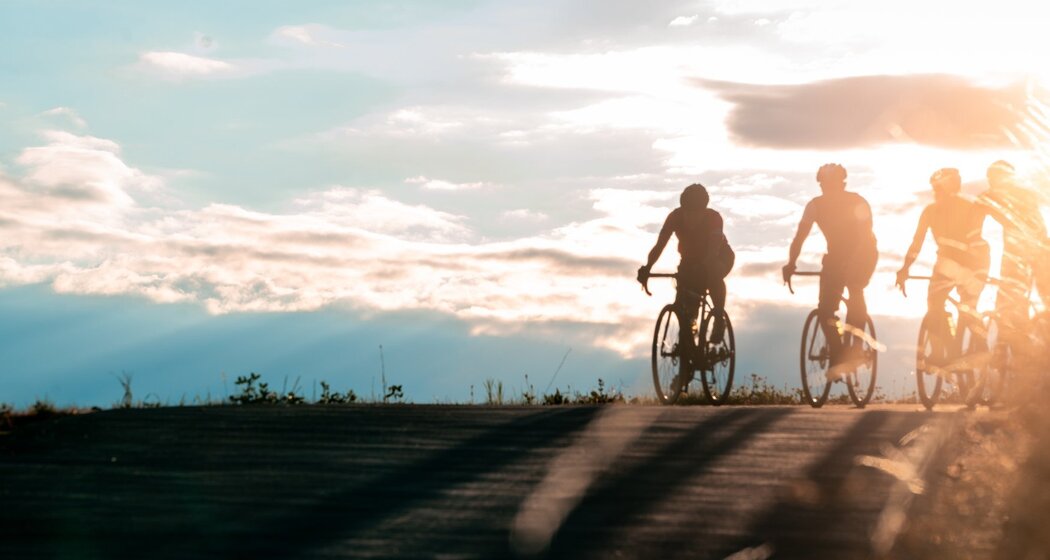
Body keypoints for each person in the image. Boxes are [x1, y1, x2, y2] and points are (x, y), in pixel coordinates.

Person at [782, 163, 878, 377]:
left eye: (832, 184)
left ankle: (855, 347)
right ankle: (838, 351)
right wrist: (791, 263)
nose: (828, 189)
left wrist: (853, 263)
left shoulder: (858, 202)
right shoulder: (815, 205)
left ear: (842, 183)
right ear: (821, 185)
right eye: (825, 185)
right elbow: (800, 237)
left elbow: (865, 237)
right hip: (836, 256)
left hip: (864, 253)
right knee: (825, 308)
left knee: (855, 289)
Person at [895, 168, 990, 358]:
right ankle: (977, 347)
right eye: (934, 189)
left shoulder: (933, 211)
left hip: (955, 263)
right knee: (967, 307)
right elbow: (917, 243)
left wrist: (905, 269)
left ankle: (943, 353)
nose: (935, 193)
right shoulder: (969, 206)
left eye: (937, 189)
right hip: (974, 261)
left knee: (935, 304)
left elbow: (917, 243)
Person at [637, 183, 735, 344]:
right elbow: (659, 245)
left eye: (695, 213)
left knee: (713, 274)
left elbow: (712, 252)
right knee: (685, 300)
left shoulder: (714, 218)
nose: (690, 217)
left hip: (719, 256)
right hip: (690, 260)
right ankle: (688, 332)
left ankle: (718, 318)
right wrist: (647, 268)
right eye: (687, 212)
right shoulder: (675, 217)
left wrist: (703, 267)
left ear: (704, 210)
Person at [979, 160, 1047, 331]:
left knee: (1010, 298)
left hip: (1031, 250)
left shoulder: (1014, 195)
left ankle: (1012, 342)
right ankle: (1010, 341)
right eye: (990, 180)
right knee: (1009, 299)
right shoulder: (991, 196)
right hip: (1026, 250)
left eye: (995, 179)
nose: (992, 183)